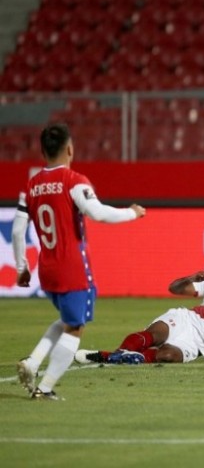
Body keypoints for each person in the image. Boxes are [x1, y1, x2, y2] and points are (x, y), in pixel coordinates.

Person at [12, 123, 146, 400]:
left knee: (66, 321)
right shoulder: (74, 181)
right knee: (76, 327)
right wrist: (132, 213)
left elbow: (16, 230)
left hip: (46, 270)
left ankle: (33, 362)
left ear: (43, 151)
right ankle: (46, 387)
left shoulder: (31, 185)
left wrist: (22, 267)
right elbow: (98, 213)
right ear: (70, 148)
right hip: (72, 268)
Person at [75, 258, 204, 365]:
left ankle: (109, 357)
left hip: (199, 345)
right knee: (155, 335)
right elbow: (173, 289)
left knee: (167, 356)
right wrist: (191, 278)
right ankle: (118, 356)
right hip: (186, 320)